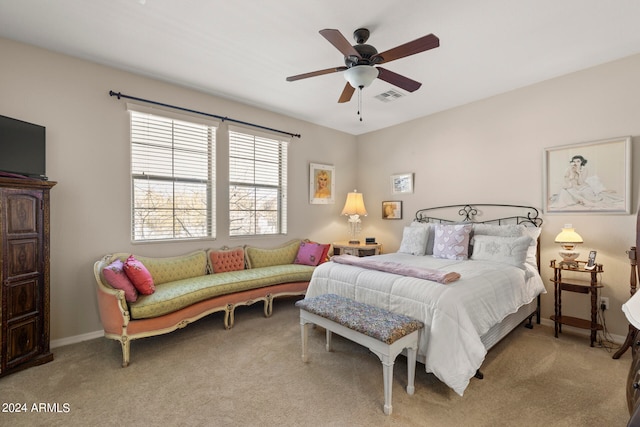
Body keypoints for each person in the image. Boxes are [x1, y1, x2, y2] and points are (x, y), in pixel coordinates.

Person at [549, 154, 623, 209]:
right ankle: (585, 201)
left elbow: (580, 182)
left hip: (583, 187)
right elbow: (566, 179)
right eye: (574, 161)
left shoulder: (584, 169)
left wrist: (578, 172)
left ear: (582, 162)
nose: (575, 163)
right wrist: (571, 176)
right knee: (567, 189)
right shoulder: (569, 169)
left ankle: (591, 198)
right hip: (572, 187)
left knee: (593, 197)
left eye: (578, 161)